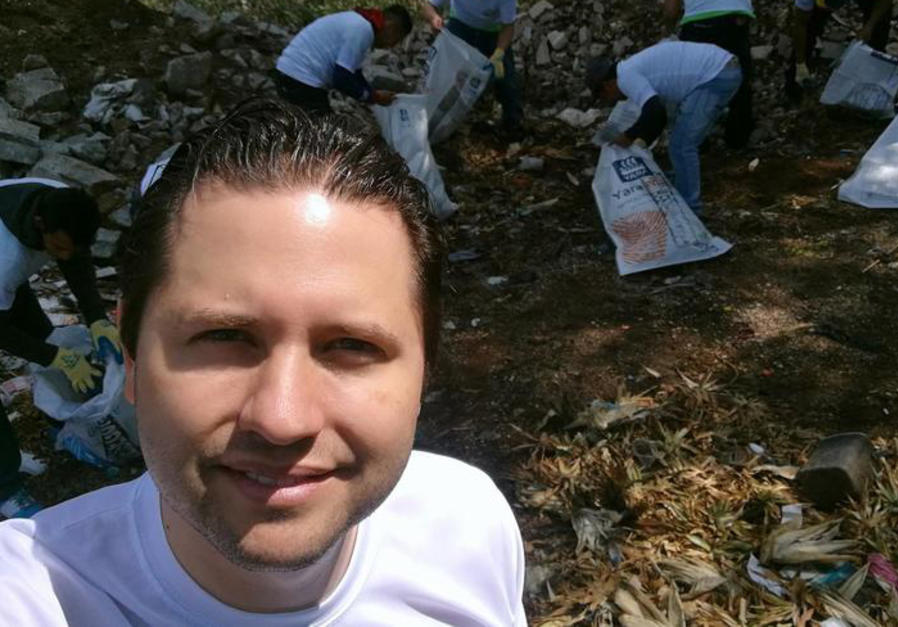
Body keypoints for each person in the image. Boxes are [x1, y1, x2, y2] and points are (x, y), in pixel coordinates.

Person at [0, 99, 527, 624]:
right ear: (132, 357)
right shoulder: (33, 594)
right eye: (224, 335)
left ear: (425, 370)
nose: (282, 420)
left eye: (352, 346)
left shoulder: (470, 527)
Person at [0, 178, 121, 520]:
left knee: (43, 335)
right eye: (58, 247)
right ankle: (5, 488)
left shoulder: (59, 203)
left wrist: (97, 318)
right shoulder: (5, 256)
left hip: (9, 276)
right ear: (40, 227)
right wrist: (56, 357)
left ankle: (63, 421)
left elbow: (76, 260)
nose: (64, 256)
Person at [587, 42, 742, 214]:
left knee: (682, 146)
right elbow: (660, 117)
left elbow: (655, 111)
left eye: (605, 96)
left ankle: (691, 209)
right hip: (720, 69)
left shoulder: (625, 77)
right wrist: (642, 141)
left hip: (715, 76)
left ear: (607, 85)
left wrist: (628, 137)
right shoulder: (630, 68)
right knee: (679, 138)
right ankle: (681, 181)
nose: (611, 100)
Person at [274, 6, 412, 113]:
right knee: (322, 134)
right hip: (300, 79)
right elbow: (341, 78)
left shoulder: (360, 22)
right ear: (391, 27)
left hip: (290, 73)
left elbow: (354, 73)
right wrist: (373, 97)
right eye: (397, 39)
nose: (392, 45)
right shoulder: (363, 29)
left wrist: (373, 94)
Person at [422, 0, 525, 140]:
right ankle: (434, 121)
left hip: (492, 33)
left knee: (506, 80)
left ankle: (513, 125)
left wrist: (499, 52)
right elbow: (428, 5)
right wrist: (434, 17)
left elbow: (507, 27)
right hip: (460, 27)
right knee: (446, 75)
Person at [663, 0, 755, 148]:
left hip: (698, 20)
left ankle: (698, 139)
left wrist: (668, 30)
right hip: (735, 16)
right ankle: (738, 139)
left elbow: (672, 8)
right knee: (738, 75)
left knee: (696, 81)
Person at [786, 0, 893, 101]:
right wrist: (800, 63)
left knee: (879, 27)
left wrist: (870, 26)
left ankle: (874, 77)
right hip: (819, 4)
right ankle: (795, 84)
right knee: (810, 29)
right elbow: (800, 24)